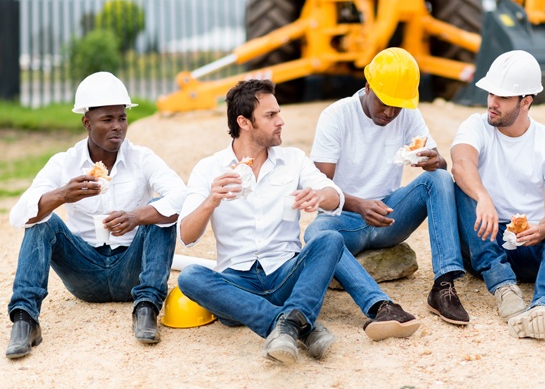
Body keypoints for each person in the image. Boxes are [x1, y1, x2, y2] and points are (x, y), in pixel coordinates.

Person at [5, 72, 186, 359]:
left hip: (131, 269)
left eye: (122, 118)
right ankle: (25, 321)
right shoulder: (64, 163)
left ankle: (147, 308)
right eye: (107, 120)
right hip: (84, 272)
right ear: (86, 122)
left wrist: (137, 216)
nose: (118, 127)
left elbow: (182, 197)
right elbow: (18, 215)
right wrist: (61, 195)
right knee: (42, 221)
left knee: (160, 209)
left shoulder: (142, 158)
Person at [177, 79, 346, 364]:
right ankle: (298, 324)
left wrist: (318, 195)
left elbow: (335, 195)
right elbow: (186, 236)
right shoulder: (209, 168)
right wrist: (211, 201)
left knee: (330, 239)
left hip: (285, 275)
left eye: (278, 113)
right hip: (237, 281)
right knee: (190, 277)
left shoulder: (294, 159)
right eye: (270, 115)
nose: (281, 121)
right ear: (244, 122)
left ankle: (284, 325)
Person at [304, 47, 468, 336]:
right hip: (344, 219)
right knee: (315, 234)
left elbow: (438, 162)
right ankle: (382, 306)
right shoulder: (337, 116)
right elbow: (319, 184)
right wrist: (359, 205)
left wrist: (434, 161)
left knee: (440, 178)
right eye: (384, 103)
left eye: (398, 106)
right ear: (368, 86)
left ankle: (444, 285)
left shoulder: (407, 113)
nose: (390, 113)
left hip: (390, 216)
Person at [451, 50, 545, 339]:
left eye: (503, 97)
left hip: (530, 246)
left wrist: (543, 228)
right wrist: (483, 197)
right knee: (458, 183)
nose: (492, 103)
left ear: (526, 101)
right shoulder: (475, 125)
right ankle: (502, 286)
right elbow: (461, 163)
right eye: (491, 93)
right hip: (484, 240)